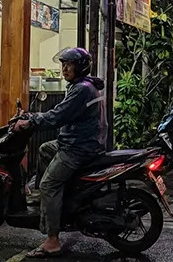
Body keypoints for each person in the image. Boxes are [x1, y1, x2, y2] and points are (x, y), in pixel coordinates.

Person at [13, 48, 106, 258]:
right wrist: (33, 116)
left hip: (79, 147)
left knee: (49, 184)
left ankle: (52, 240)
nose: (64, 69)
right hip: (83, 141)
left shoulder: (82, 89)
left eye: (69, 65)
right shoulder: (84, 86)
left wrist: (31, 121)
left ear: (80, 67)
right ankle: (46, 201)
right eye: (63, 64)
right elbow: (60, 112)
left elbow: (58, 116)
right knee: (46, 149)